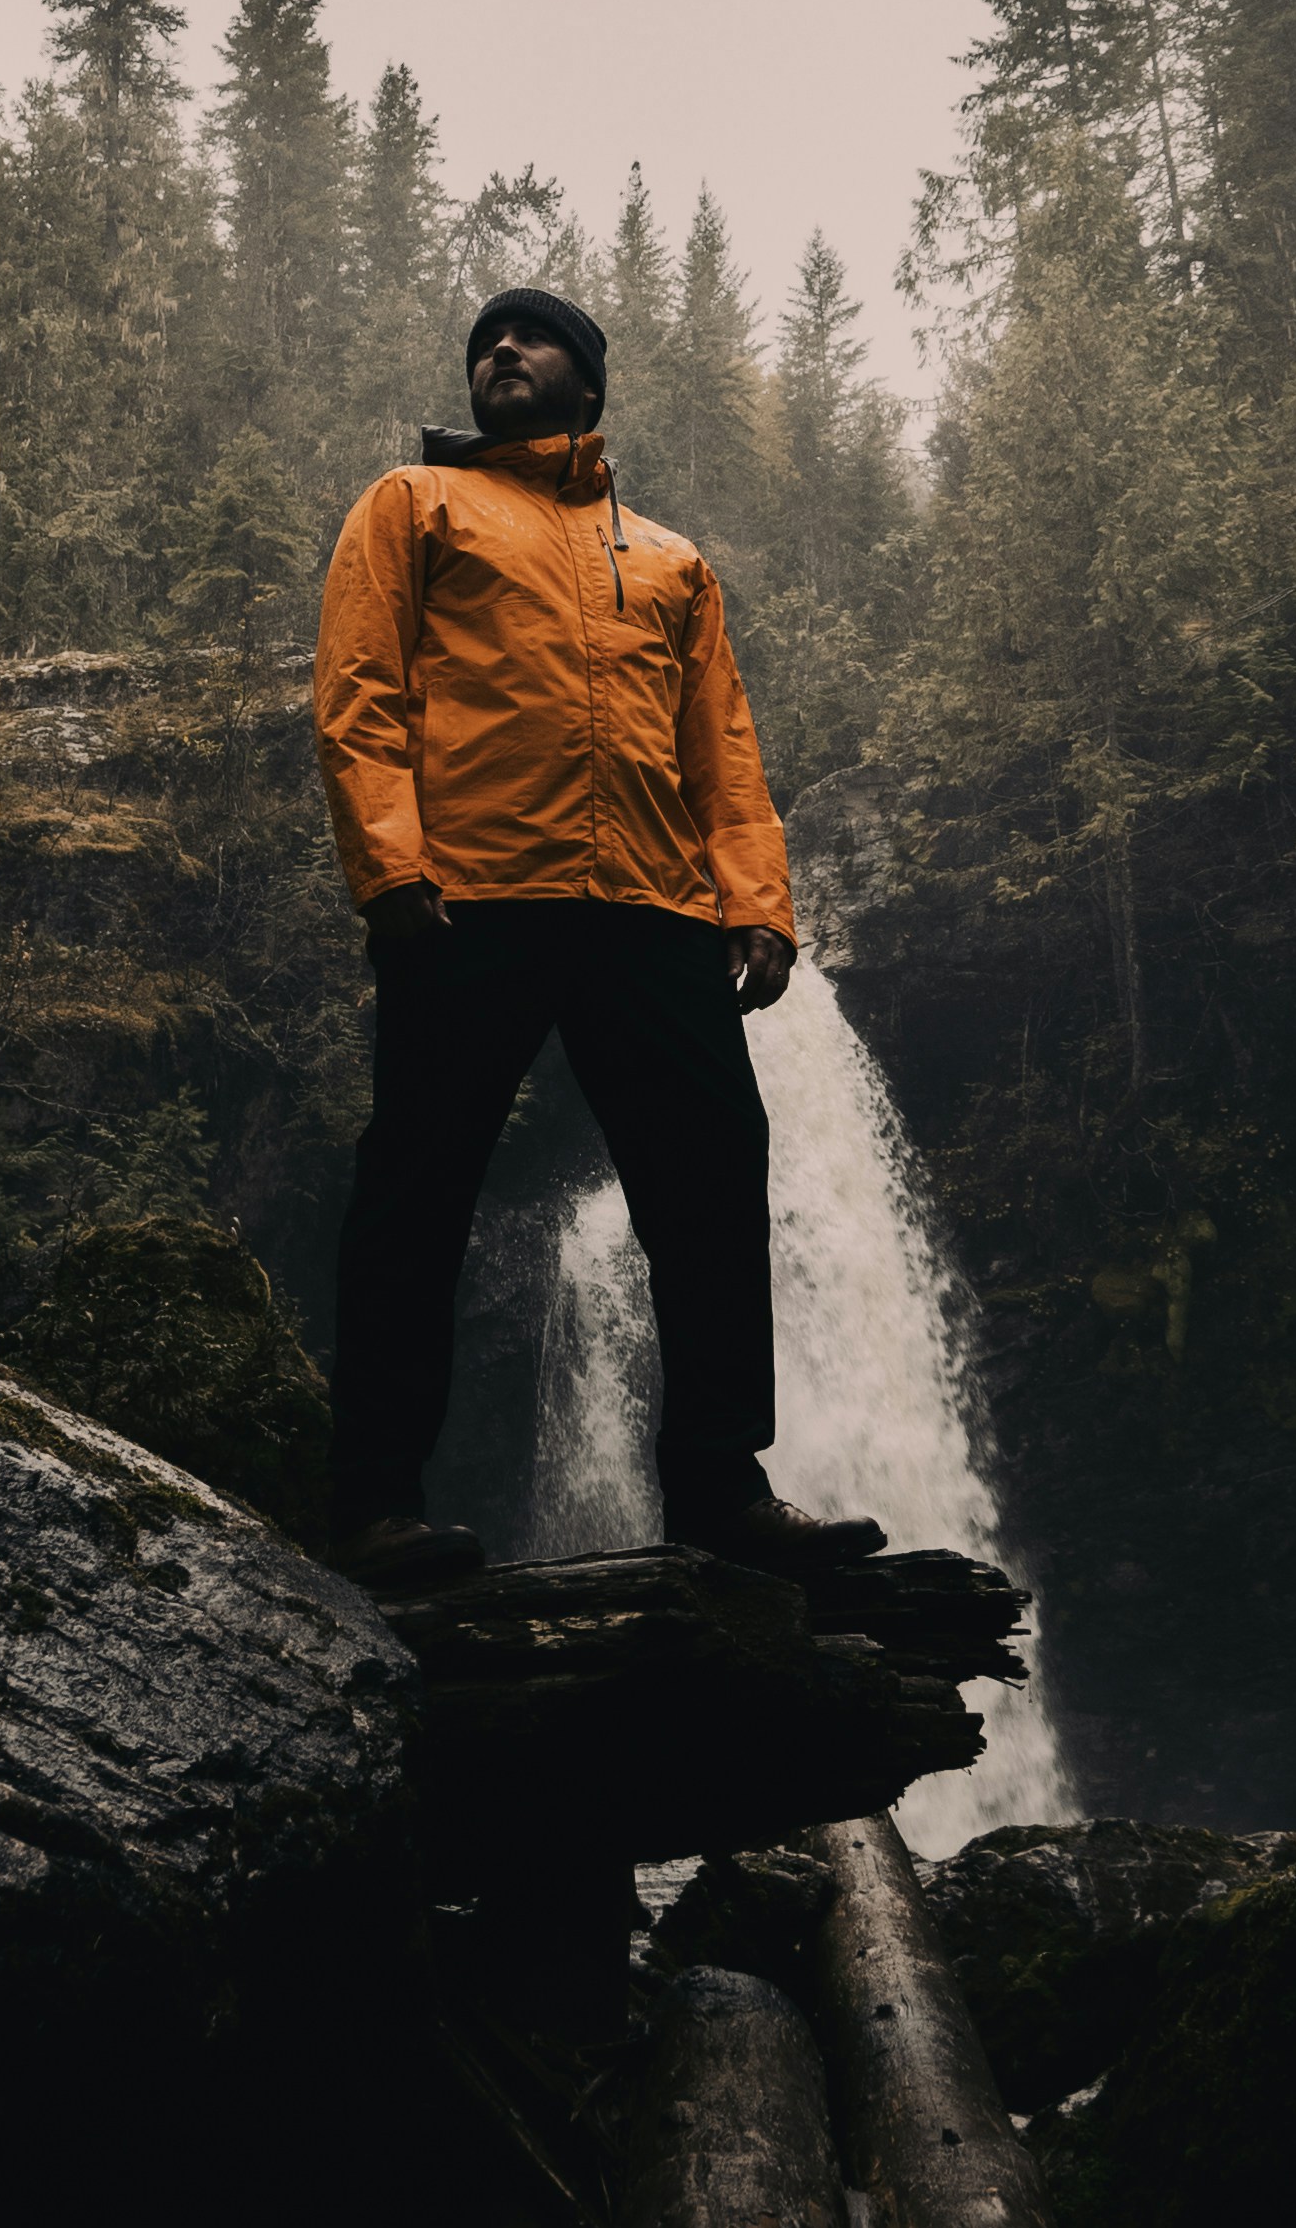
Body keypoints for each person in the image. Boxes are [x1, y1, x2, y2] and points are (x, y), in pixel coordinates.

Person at [312, 283, 885, 1591]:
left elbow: (723, 751)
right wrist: (389, 868)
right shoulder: (413, 506)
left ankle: (721, 1491)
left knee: (714, 1182)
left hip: (648, 909)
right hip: (473, 895)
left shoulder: (671, 563)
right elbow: (357, 696)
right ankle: (375, 1502)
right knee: (418, 1188)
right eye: (483, 344)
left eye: (531, 336)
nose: (501, 350)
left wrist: (759, 904)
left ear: (591, 376)